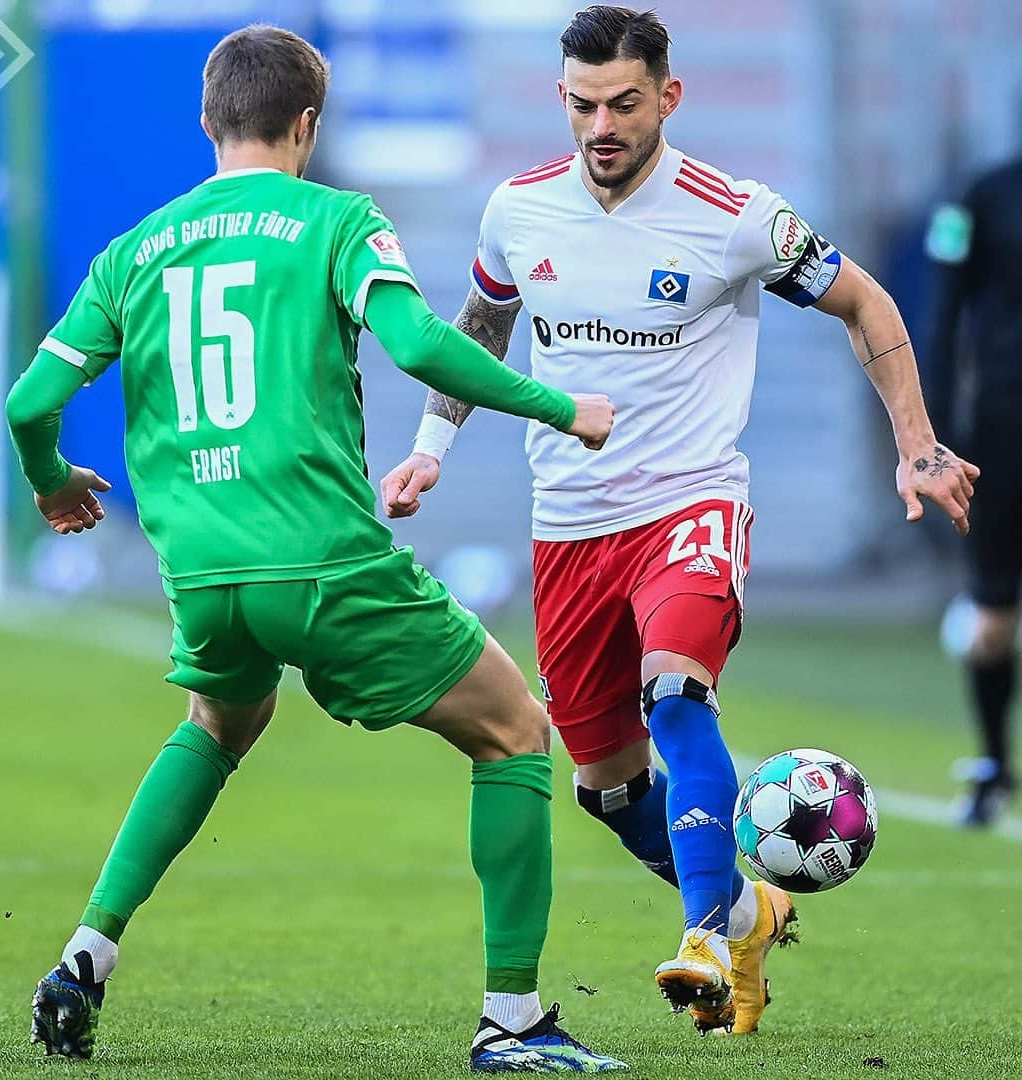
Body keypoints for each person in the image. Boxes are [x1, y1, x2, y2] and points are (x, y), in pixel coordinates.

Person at [6, 25, 627, 1074]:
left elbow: (30, 404)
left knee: (220, 720)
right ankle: (512, 1022)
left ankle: (85, 956)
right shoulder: (336, 219)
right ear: (308, 125)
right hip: (324, 562)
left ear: (207, 123)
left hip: (202, 577)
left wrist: (54, 483)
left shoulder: (135, 248)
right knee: (517, 732)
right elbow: (425, 344)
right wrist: (565, 408)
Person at [381, 4, 979, 1036]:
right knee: (606, 789)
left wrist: (917, 443)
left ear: (668, 95)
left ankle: (702, 933)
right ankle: (748, 914)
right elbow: (481, 322)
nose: (600, 125)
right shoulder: (518, 212)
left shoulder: (737, 213)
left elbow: (868, 304)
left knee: (677, 691)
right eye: (580, 104)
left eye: (622, 103)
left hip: (689, 504)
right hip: (568, 529)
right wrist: (430, 451)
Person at [922, 155, 1022, 826]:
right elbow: (944, 309)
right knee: (992, 610)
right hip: (1001, 427)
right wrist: (930, 430)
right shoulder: (982, 195)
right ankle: (992, 765)